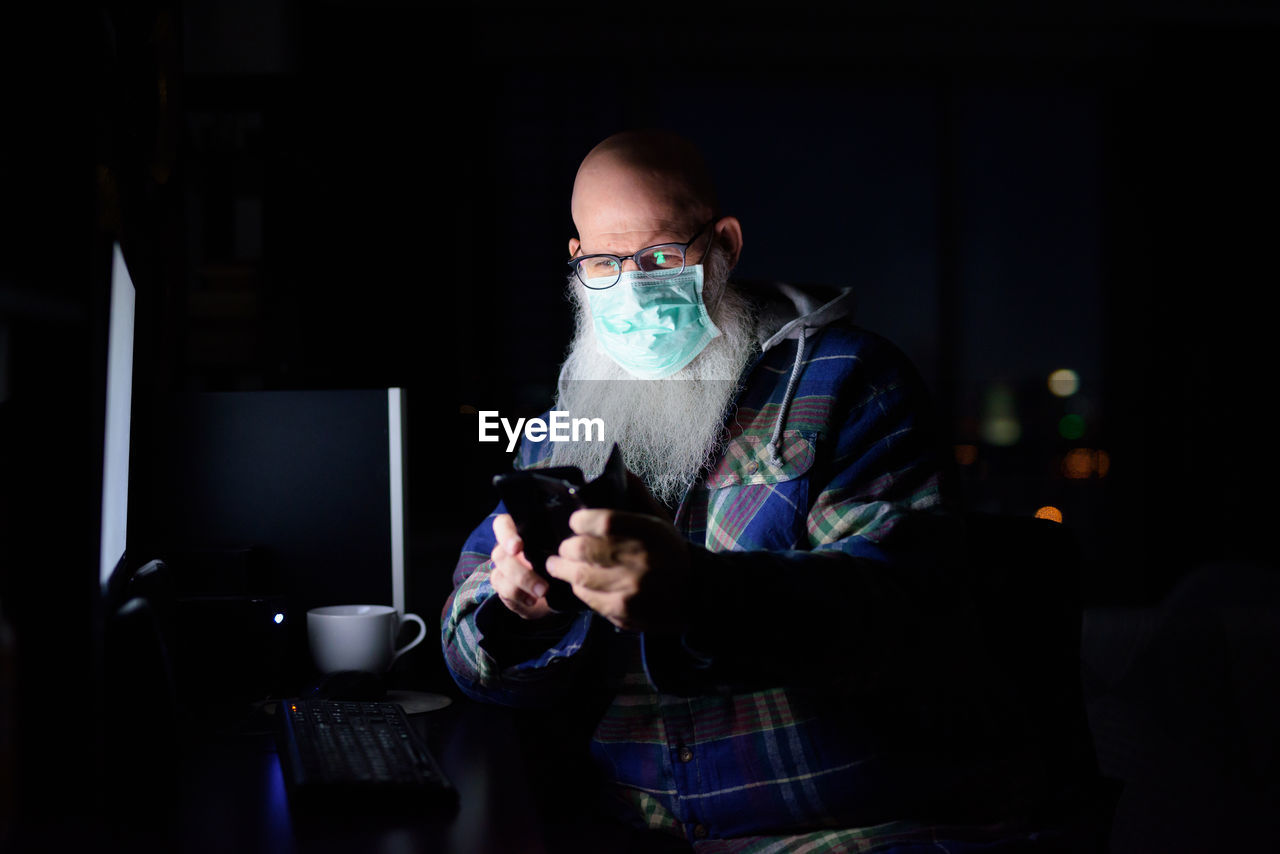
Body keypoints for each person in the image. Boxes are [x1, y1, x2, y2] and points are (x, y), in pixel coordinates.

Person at [443, 130, 1066, 851]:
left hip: (844, 830)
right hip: (631, 828)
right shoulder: (568, 418)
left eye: (659, 257)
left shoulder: (850, 384)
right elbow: (465, 639)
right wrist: (522, 607)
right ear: (576, 262)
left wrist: (698, 593)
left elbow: (899, 613)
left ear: (724, 247)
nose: (633, 286)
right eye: (606, 262)